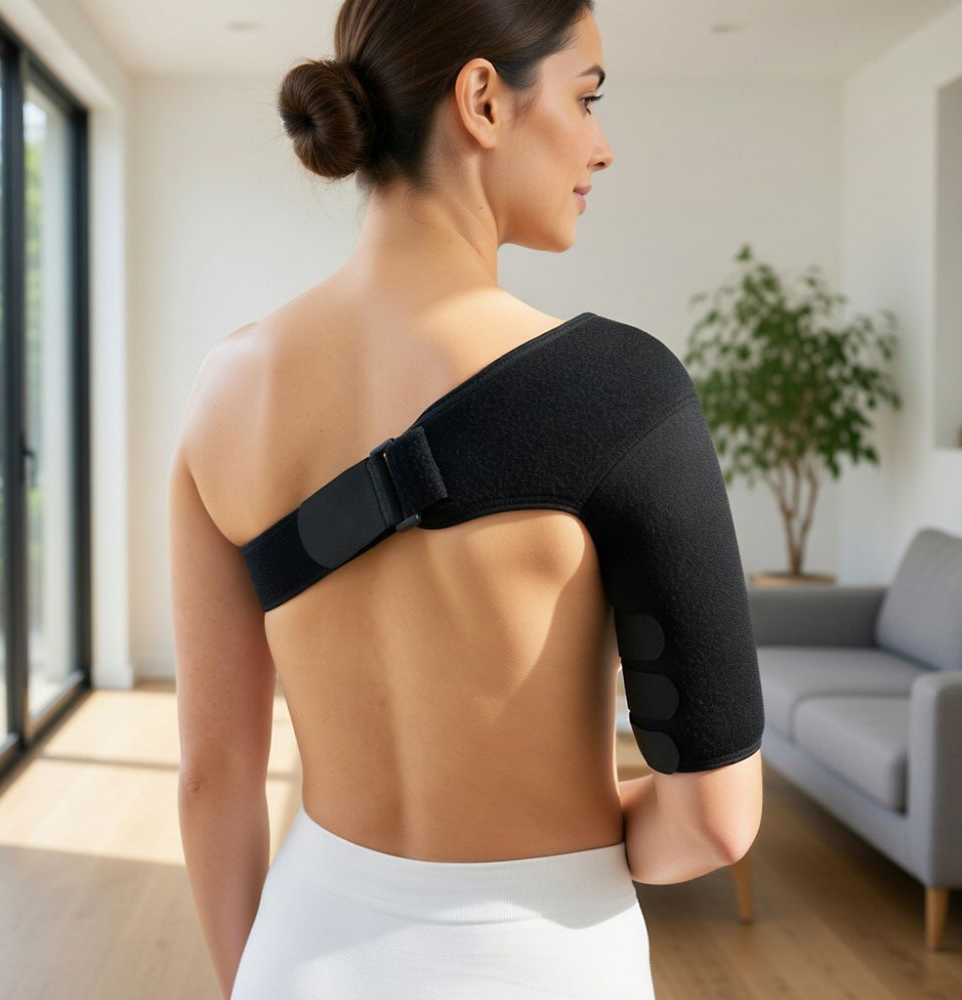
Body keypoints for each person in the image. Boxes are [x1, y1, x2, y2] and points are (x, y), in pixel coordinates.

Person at [169, 1, 765, 997]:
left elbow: (211, 777)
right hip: (544, 959)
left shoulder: (225, 389)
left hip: (300, 949)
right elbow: (716, 820)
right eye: (587, 98)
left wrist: (252, 982)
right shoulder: (622, 393)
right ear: (483, 99)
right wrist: (560, 860)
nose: (603, 147)